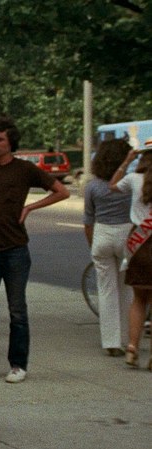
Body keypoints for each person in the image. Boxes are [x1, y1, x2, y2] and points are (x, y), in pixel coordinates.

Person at [0, 116, 69, 384]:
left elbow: (61, 191)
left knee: (17, 310)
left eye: (0, 139)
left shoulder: (24, 169)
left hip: (15, 250)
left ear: (11, 141)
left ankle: (18, 364)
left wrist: (31, 207)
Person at [84, 139, 133, 357]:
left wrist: (92, 244)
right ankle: (127, 338)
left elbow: (88, 220)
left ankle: (110, 341)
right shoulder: (129, 183)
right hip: (126, 233)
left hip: (102, 234)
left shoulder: (92, 186)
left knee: (106, 290)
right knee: (127, 289)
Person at [109, 141, 152, 370]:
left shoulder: (134, 179)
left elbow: (112, 186)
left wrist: (126, 161)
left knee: (139, 299)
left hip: (138, 244)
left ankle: (132, 348)